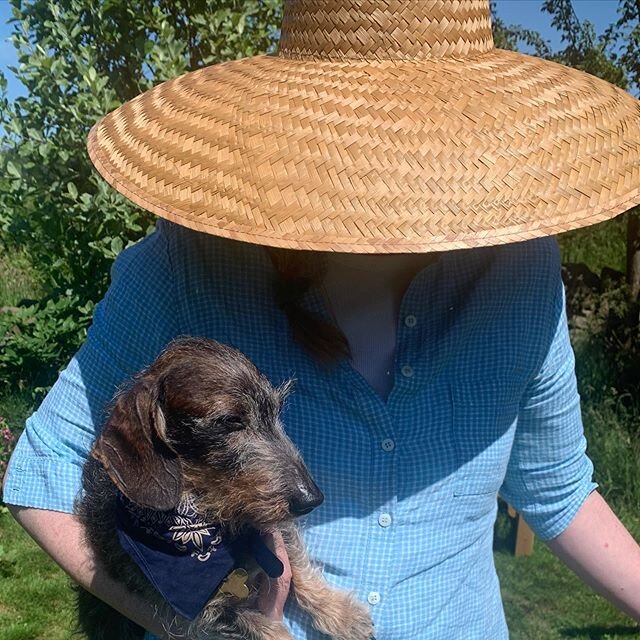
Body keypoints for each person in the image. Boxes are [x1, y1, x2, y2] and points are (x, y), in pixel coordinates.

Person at [3, 2, 640, 638]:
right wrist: (195, 627)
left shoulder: (523, 271)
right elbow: (47, 472)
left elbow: (556, 491)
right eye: (368, 138)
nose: (403, 173)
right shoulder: (187, 264)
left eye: (435, 137)